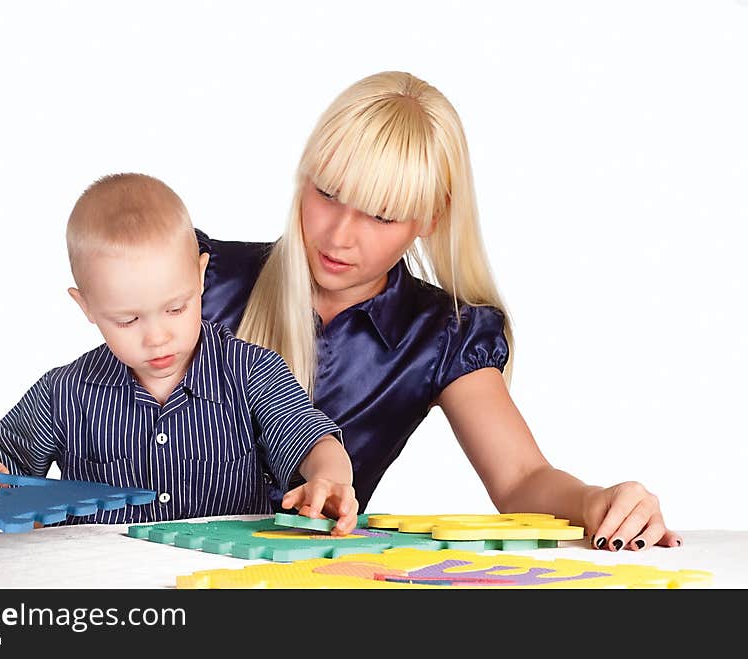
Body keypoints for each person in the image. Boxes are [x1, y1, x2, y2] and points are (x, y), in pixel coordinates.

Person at [197, 70, 681, 552]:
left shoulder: (443, 335)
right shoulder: (201, 276)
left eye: (381, 214)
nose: (339, 235)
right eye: (327, 193)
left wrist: (597, 501)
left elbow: (521, 477)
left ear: (431, 215)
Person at [0, 173, 358, 534]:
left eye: (175, 308)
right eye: (128, 320)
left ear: (201, 276)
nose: (157, 337)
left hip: (220, 583)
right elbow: (8, 466)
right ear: (86, 306)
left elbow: (309, 437)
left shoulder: (251, 371)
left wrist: (330, 478)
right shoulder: (65, 391)